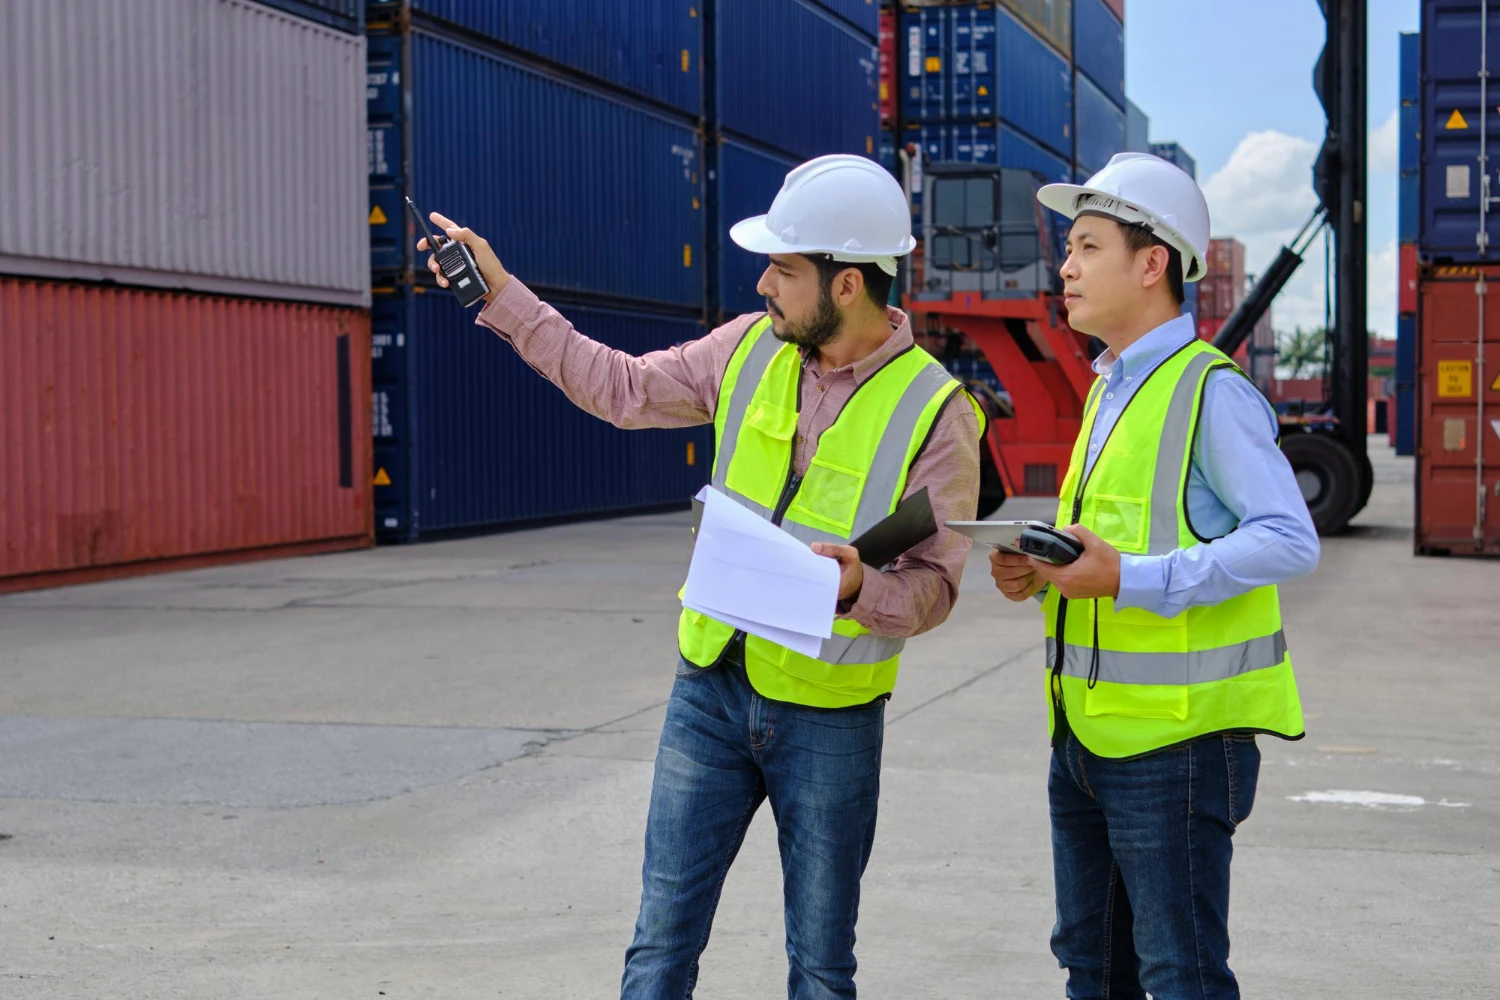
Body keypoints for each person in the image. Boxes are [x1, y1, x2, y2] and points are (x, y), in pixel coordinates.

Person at [420, 154, 984, 999]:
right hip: (708, 691)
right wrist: (500, 293)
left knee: (821, 968)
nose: (763, 284)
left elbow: (934, 586)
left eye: (783, 269)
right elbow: (621, 387)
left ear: (847, 284)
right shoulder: (748, 348)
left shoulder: (937, 411)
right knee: (659, 949)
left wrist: (859, 590)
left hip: (828, 716)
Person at [988, 152, 1320, 1000]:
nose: (1065, 266)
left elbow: (1290, 539)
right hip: (1084, 737)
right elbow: (1114, 545)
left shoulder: (1209, 391)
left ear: (1151, 264)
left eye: (1087, 247)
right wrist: (1043, 572)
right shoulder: (1108, 389)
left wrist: (1128, 578)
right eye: (1069, 249)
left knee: (1181, 976)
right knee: (1093, 970)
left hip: (1177, 748)